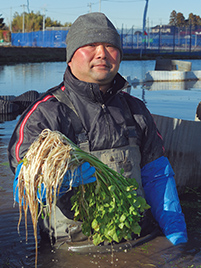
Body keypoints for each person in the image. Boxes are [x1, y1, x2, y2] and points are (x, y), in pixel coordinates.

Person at [8, 12, 187, 249]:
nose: (102, 53)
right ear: (70, 57)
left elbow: (156, 176)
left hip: (138, 237)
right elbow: (24, 186)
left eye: (111, 45)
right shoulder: (45, 114)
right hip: (73, 248)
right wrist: (56, 180)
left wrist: (176, 232)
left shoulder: (136, 110)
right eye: (91, 45)